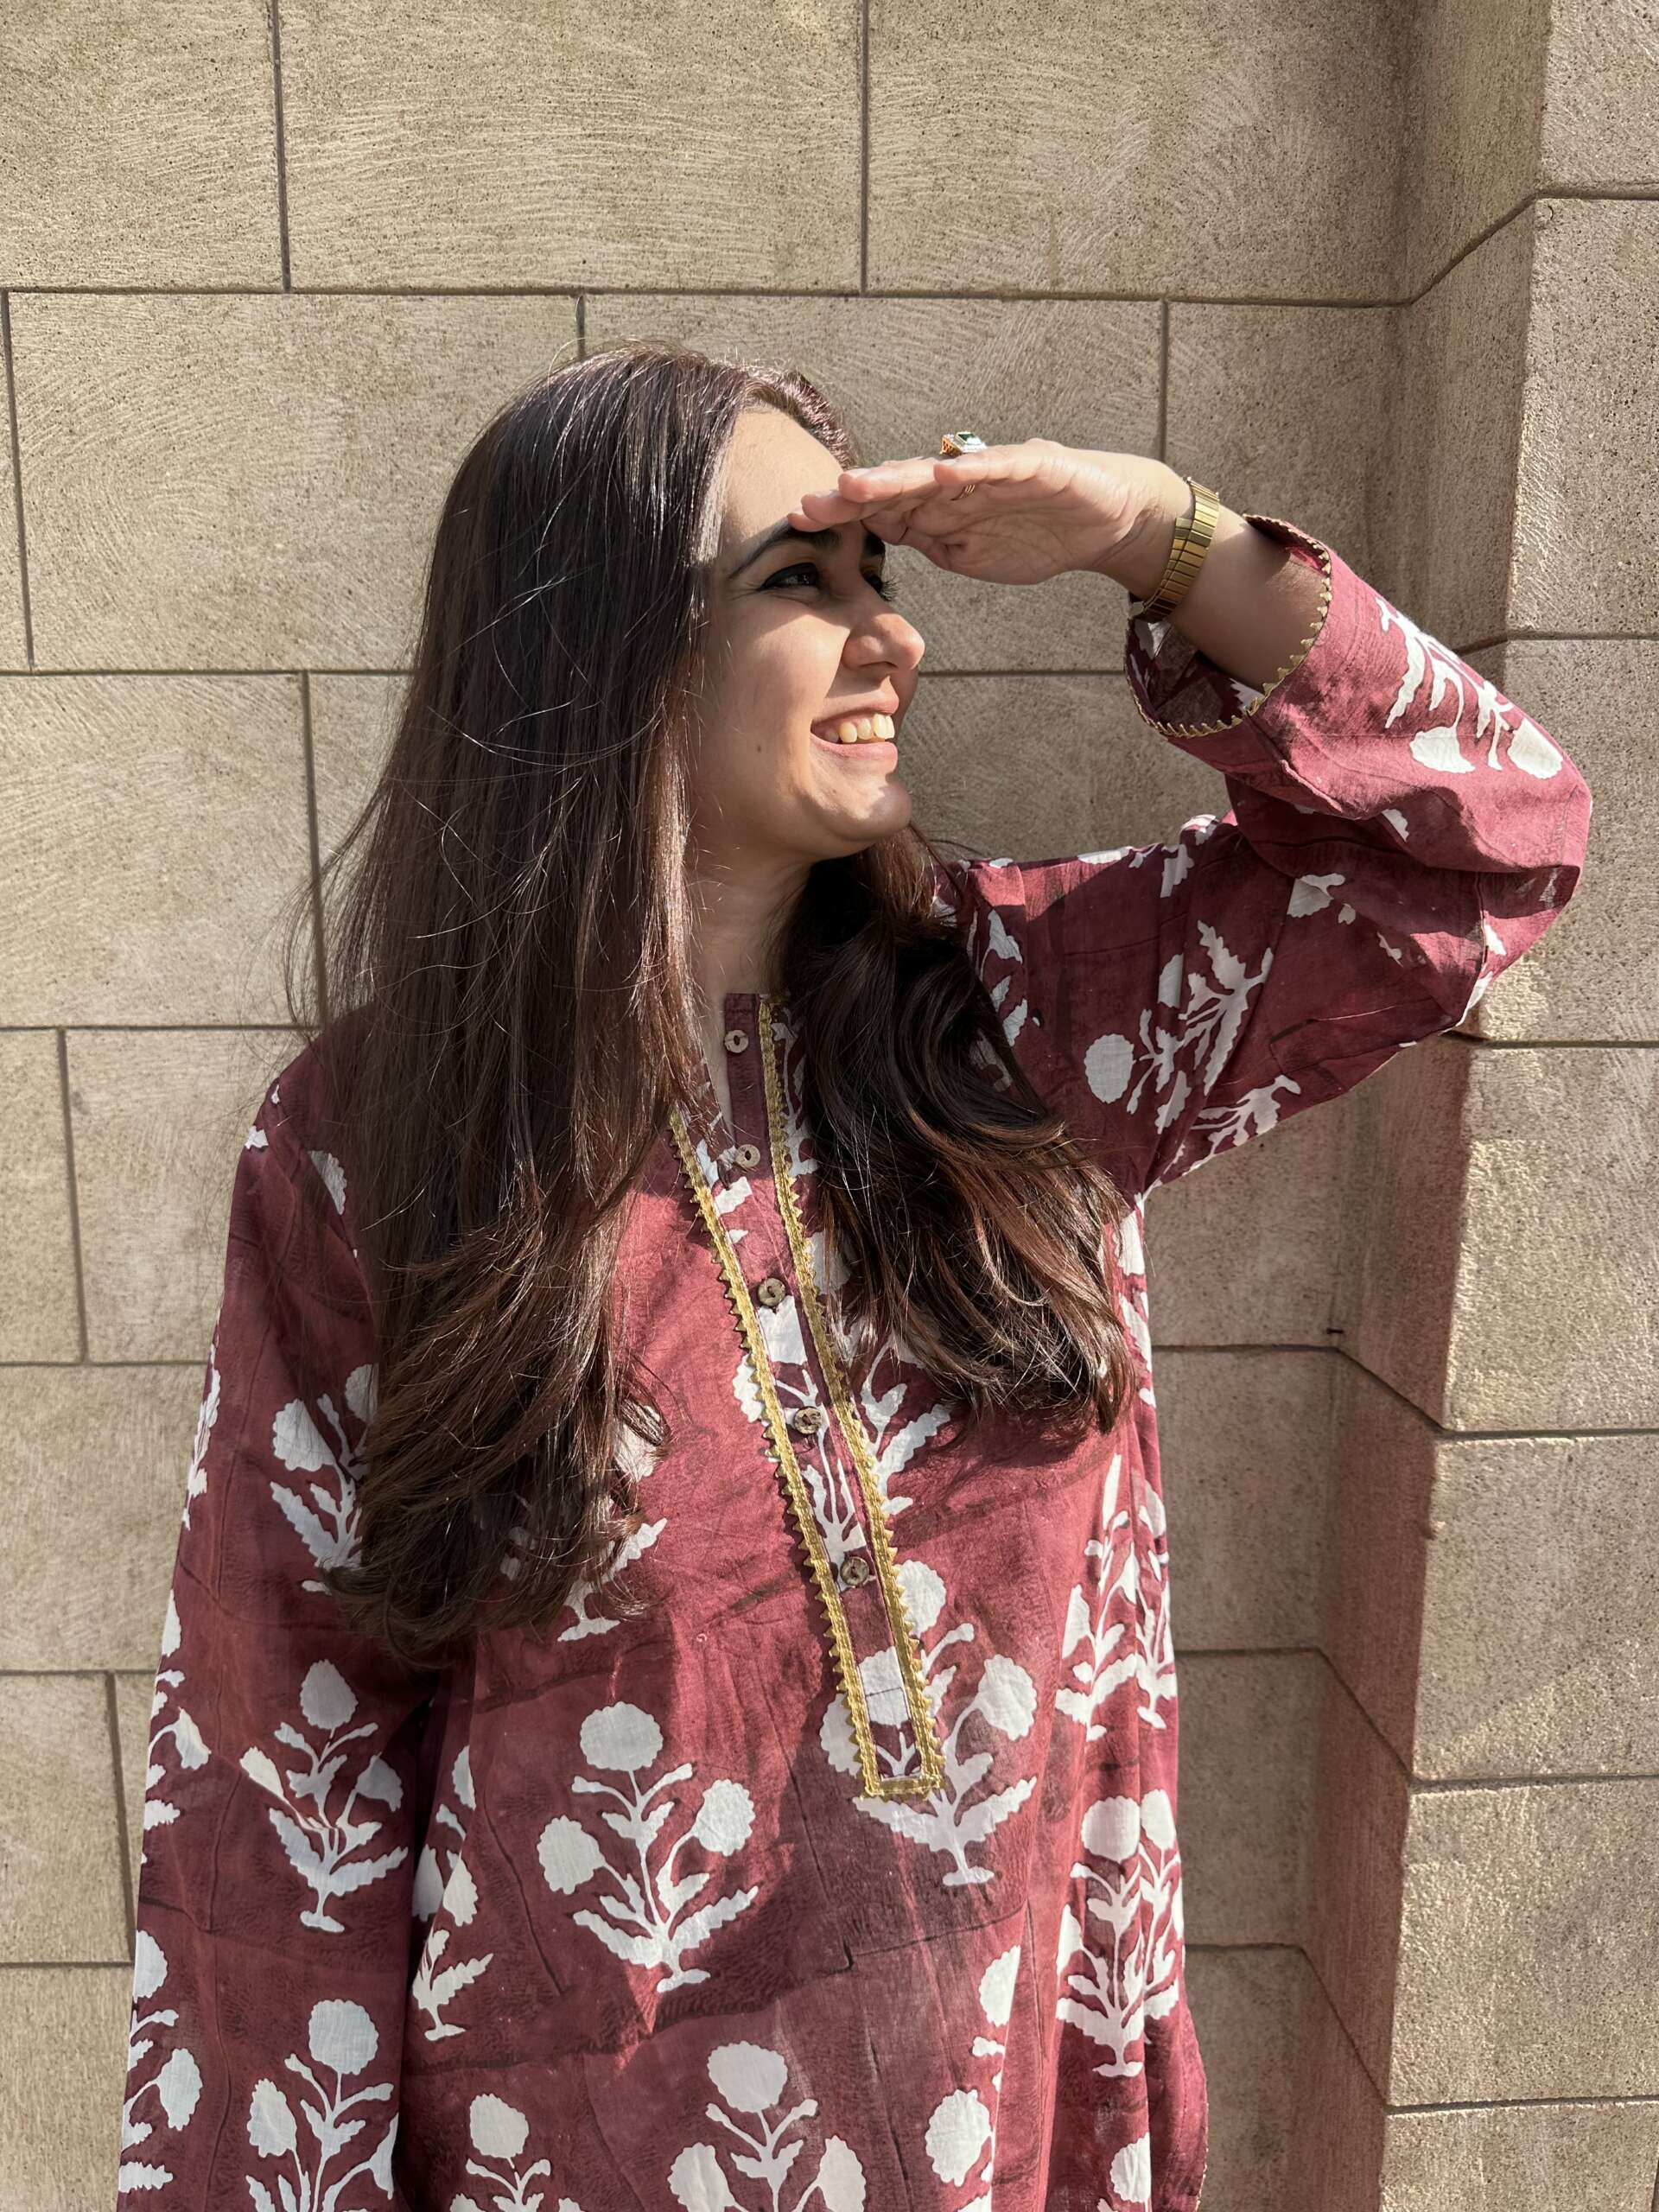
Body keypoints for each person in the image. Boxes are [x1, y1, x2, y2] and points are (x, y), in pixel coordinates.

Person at [114, 341, 1592, 2212]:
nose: (893, 637)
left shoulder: (1035, 1025)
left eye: (877, 578)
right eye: (802, 583)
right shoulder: (380, 1142)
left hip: (1019, 2138)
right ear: (602, 650)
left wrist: (1151, 533)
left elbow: (1489, 840)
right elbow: (280, 1795)